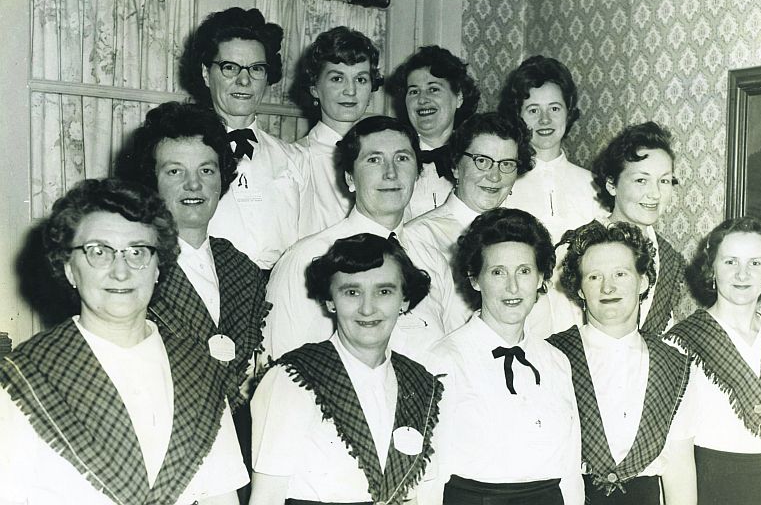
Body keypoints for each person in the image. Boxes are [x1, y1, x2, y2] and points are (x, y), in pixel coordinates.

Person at [0, 179, 247, 504]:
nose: (121, 271)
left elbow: (221, 497)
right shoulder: (25, 378)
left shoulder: (199, 369)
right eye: (99, 252)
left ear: (158, 267)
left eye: (137, 251)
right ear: (70, 269)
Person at [115, 101, 272, 497]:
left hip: (238, 457)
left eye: (206, 170)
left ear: (223, 178)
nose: (194, 185)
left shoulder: (241, 268)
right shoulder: (126, 267)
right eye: (174, 172)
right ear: (150, 182)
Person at [250, 233, 442, 504]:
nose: (367, 308)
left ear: (405, 300)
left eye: (384, 291)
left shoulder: (420, 382)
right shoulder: (292, 378)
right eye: (352, 292)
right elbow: (266, 498)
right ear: (330, 300)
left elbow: (425, 494)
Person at [422, 208, 584, 505]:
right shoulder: (444, 360)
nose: (513, 287)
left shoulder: (556, 361)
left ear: (540, 278)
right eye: (498, 272)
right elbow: (430, 474)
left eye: (524, 271)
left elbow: (570, 469)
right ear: (474, 279)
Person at [264, 116, 445, 362]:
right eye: (374, 160)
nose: (391, 173)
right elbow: (279, 365)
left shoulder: (432, 260)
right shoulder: (307, 258)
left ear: (417, 174)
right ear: (350, 177)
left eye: (402, 158)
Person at [548, 221, 695, 504]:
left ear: (642, 281)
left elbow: (679, 468)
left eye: (620, 273)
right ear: (579, 288)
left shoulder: (673, 364)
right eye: (594, 277)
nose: (608, 287)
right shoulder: (553, 354)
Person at [666, 217, 761, 505]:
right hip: (709, 489)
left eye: (755, 263)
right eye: (730, 262)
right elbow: (676, 456)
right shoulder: (680, 343)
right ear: (711, 269)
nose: (742, 274)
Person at [180, 7, 309, 269]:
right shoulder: (181, 155)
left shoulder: (295, 158)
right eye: (230, 67)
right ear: (206, 74)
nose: (244, 80)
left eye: (256, 69)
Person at [403, 112, 532, 333]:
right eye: (482, 161)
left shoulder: (524, 236)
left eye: (507, 164)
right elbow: (423, 336)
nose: (494, 176)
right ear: (455, 166)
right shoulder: (417, 238)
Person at [589, 121, 686, 336]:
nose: (655, 194)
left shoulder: (669, 256)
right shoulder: (580, 247)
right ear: (611, 184)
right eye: (641, 180)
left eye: (665, 181)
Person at [498, 55, 604, 243]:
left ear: (568, 112)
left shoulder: (594, 185)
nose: (545, 120)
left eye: (554, 109)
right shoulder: (501, 182)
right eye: (533, 110)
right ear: (517, 115)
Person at [292, 26, 383, 237]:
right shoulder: (296, 159)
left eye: (360, 79)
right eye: (337, 79)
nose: (350, 91)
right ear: (315, 87)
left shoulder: (385, 155)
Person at [387, 45, 480, 219]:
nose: (422, 99)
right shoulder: (390, 160)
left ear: (459, 97)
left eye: (433, 89)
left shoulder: (478, 157)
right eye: (414, 91)